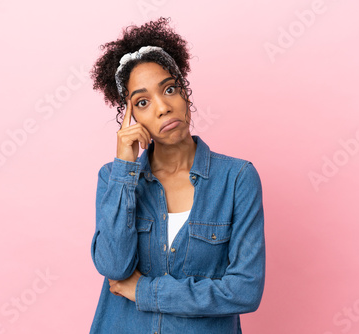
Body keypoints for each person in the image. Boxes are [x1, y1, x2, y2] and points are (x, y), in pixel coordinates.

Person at [89, 17, 265, 334]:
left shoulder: (237, 179)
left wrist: (144, 291)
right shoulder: (112, 179)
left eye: (169, 89)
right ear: (129, 116)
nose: (162, 107)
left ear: (185, 92)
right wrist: (126, 167)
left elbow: (244, 292)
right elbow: (114, 267)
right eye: (143, 102)